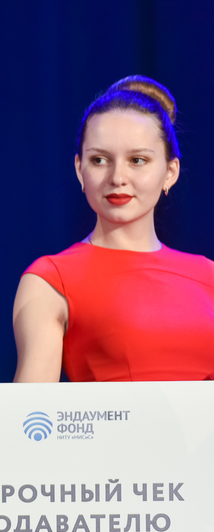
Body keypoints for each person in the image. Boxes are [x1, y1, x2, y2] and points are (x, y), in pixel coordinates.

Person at [13, 75, 214, 383]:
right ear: (79, 168)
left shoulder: (207, 275)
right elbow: (31, 409)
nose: (118, 177)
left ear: (170, 172)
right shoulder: (51, 279)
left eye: (137, 160)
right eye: (100, 160)